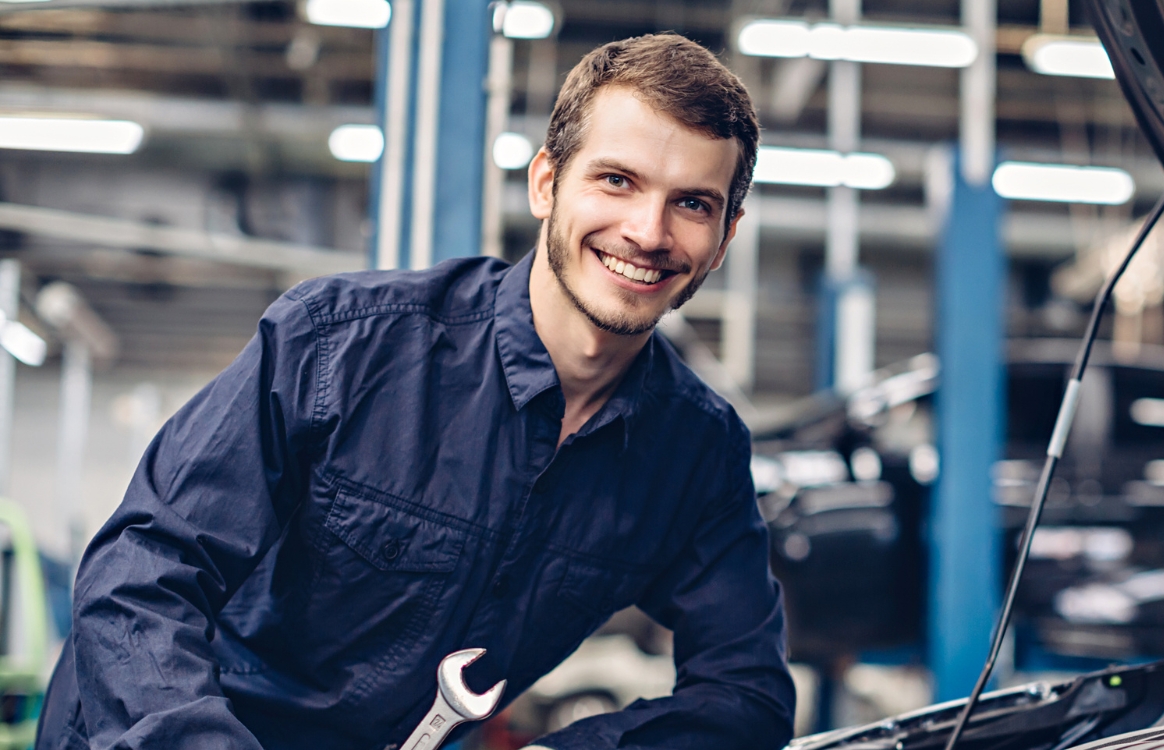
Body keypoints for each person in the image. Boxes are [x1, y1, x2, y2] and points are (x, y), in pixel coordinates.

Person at [36, 33, 795, 750]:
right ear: (546, 184)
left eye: (692, 203)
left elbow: (745, 693)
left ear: (725, 237)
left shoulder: (697, 452)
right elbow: (142, 573)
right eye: (617, 180)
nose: (648, 230)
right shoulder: (338, 344)